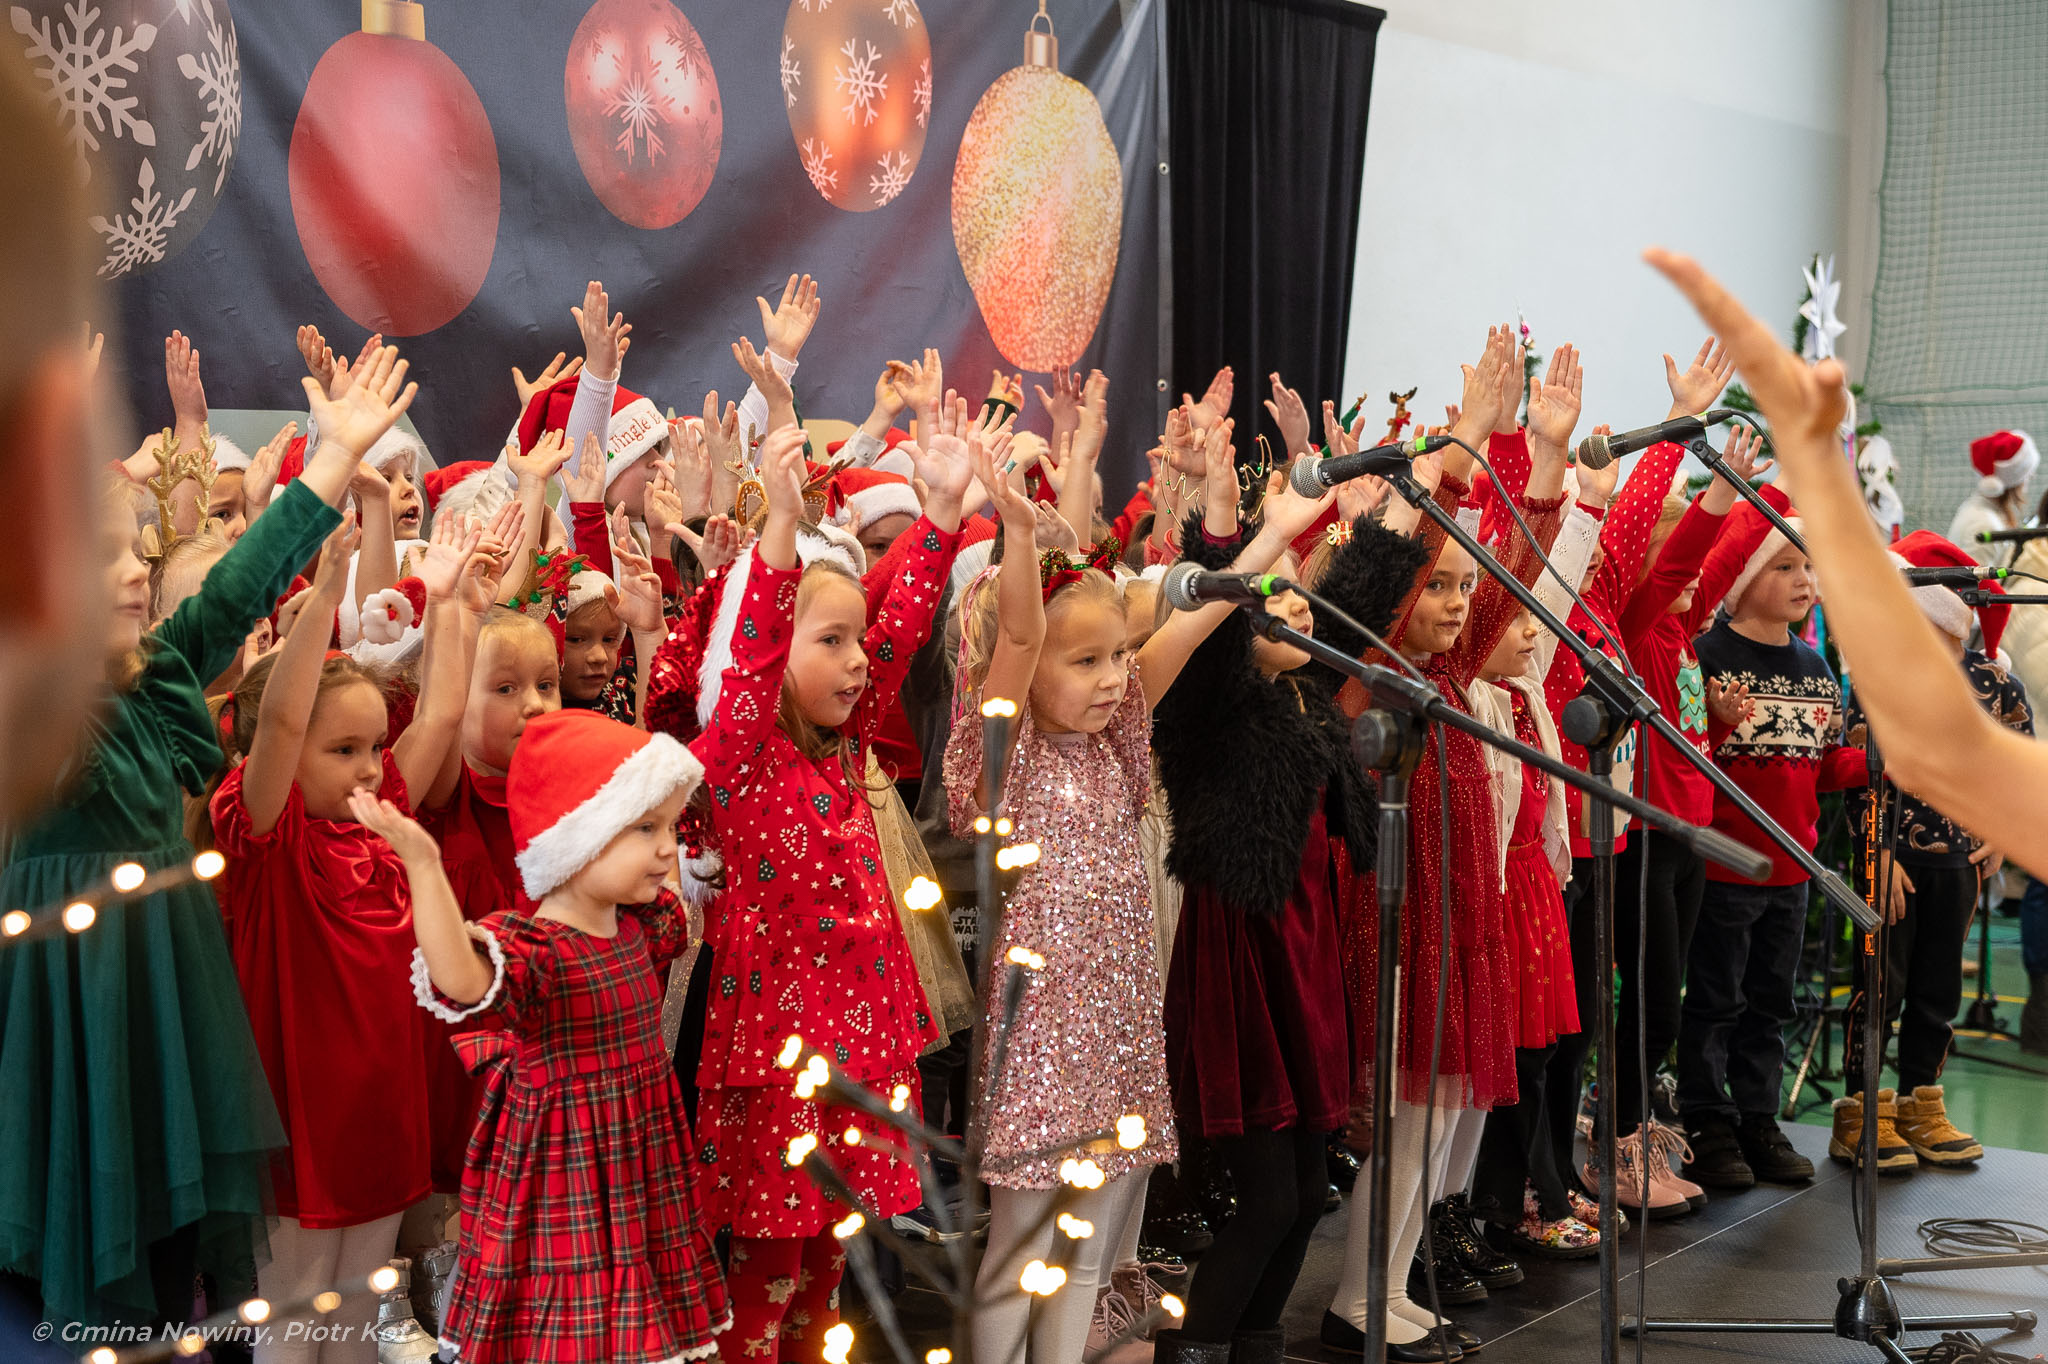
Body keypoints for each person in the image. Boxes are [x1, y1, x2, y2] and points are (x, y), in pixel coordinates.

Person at [0, 344, 412, 1336]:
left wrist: (330, 461)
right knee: (88, 1260)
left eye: (136, 553)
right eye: (101, 553)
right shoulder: (34, 717)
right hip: (76, 1012)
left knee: (169, 1257)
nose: (133, 571)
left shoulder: (156, 679)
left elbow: (236, 590)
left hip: (167, 1014)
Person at [947, 415, 1329, 1364]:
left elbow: (1197, 620)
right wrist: (1023, 536)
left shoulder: (1115, 741)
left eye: (1119, 655)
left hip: (1118, 1030)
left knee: (1083, 1252)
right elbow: (1023, 632)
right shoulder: (1005, 754)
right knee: (1020, 1246)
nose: (1115, 677)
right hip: (1042, 1043)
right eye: (1087, 661)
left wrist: (1276, 535)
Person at [675, 403, 971, 1363]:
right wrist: (776, 530)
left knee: (823, 1284)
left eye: (856, 642)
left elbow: (900, 633)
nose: (856, 661)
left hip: (860, 1051)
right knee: (761, 1291)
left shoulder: (845, 745)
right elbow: (753, 651)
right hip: (779, 1071)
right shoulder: (742, 758)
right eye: (831, 642)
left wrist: (940, 517)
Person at [361, 708, 729, 1364]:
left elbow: (673, 893)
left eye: (669, 827)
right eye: (645, 827)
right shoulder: (538, 950)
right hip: (566, 1174)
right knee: (566, 1333)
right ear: (578, 838)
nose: (667, 848)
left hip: (636, 1165)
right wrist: (423, 864)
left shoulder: (642, 926)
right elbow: (460, 977)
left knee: (634, 1322)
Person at [1150, 479, 1422, 1364]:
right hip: (1247, 961)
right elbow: (1213, 629)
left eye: (1300, 595)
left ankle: (1255, 1346)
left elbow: (1363, 597)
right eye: (1274, 598)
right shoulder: (1210, 710)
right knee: (1270, 1199)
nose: (1296, 607)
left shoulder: (1306, 693)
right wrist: (1233, 526)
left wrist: (1415, 492)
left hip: (1305, 959)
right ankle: (1199, 1348)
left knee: (1306, 1197)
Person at [210, 510, 475, 1364]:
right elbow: (283, 727)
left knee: (359, 1323)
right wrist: (327, 592)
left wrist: (456, 606)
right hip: (301, 1138)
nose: (369, 766)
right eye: (345, 750)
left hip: (381, 1125)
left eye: (374, 747)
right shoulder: (269, 840)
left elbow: (440, 716)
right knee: (294, 1329)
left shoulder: (376, 823)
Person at [1673, 484, 1865, 1190]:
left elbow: (1820, 767)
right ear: (1743, 575)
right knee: (1714, 999)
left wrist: (1874, 762)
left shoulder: (1816, 671)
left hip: (1793, 871)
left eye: (1808, 566)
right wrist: (1720, 723)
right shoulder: (1705, 656)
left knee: (1770, 1002)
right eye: (1784, 566)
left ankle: (1758, 1117)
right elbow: (1688, 756)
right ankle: (1706, 1119)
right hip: (1726, 868)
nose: (1803, 580)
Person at [1833, 530, 2029, 1173]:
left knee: (1937, 993)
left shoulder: (1995, 684)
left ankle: (1921, 1103)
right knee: (1878, 990)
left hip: (1959, 865)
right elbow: (1857, 775)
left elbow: (2016, 763)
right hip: (1890, 862)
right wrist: (1877, 853)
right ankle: (1862, 1110)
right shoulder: (1878, 680)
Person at [1947, 430, 2036, 567]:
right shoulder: (1984, 524)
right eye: (2027, 475)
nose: (2032, 477)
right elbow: (1978, 579)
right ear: (2013, 479)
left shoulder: (1981, 512)